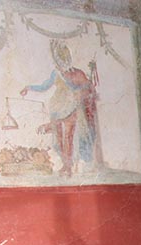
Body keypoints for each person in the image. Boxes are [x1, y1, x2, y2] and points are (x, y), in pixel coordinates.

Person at [21, 40, 100, 176]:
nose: (60, 64)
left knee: (69, 138)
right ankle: (65, 165)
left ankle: (70, 167)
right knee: (58, 139)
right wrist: (28, 88)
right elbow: (44, 86)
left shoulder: (77, 73)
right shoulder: (56, 73)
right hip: (57, 109)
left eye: (62, 59)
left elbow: (89, 88)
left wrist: (80, 92)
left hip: (71, 108)